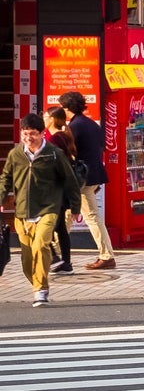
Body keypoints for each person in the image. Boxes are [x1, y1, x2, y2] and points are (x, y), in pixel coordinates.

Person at [3, 116, 81, 306]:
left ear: (41, 133)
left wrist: (75, 208)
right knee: (26, 260)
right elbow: (5, 177)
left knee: (41, 246)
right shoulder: (16, 154)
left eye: (33, 134)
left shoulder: (54, 154)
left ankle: (41, 290)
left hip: (48, 209)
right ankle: (38, 284)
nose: (29, 138)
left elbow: (71, 181)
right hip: (22, 212)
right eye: (25, 134)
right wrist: (2, 197)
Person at [56, 92, 114, 271]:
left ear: (67, 108)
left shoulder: (74, 127)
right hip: (93, 175)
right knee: (65, 215)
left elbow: (69, 153)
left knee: (91, 217)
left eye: (62, 107)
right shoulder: (91, 124)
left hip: (81, 179)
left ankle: (107, 256)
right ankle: (55, 252)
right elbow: (101, 148)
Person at [41, 110, 79, 275]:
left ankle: (56, 259)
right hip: (62, 189)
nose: (43, 119)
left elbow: (52, 165)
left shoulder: (54, 139)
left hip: (55, 189)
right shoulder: (64, 136)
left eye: (45, 117)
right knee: (60, 227)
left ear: (52, 119)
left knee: (48, 226)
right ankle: (66, 262)